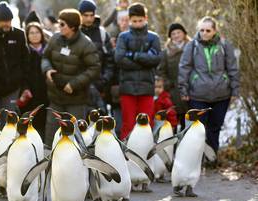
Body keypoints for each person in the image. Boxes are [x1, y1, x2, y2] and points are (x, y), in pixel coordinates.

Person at [179, 16, 240, 155]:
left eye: (208, 30)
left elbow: (232, 68)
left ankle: (212, 158)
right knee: (198, 130)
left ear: (214, 31)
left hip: (221, 95)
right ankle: (198, 159)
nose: (204, 33)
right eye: (201, 30)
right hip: (198, 95)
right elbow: (184, 68)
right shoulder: (192, 46)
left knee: (215, 128)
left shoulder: (225, 45)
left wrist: (235, 91)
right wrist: (183, 90)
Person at [42, 8, 101, 146]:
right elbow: (45, 57)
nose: (59, 26)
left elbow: (95, 68)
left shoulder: (86, 44)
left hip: (76, 100)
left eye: (62, 24)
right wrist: (47, 70)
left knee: (75, 139)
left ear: (73, 27)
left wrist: (74, 84)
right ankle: (48, 166)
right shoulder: (55, 38)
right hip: (55, 98)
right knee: (50, 139)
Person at [114, 2, 161, 140]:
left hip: (147, 88)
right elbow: (119, 59)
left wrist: (134, 56)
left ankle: (145, 155)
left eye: (140, 20)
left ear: (146, 18)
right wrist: (145, 61)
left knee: (146, 124)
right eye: (134, 21)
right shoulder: (123, 37)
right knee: (128, 124)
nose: (138, 23)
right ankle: (126, 156)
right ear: (129, 20)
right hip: (127, 88)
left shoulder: (154, 37)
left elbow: (157, 59)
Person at [78, 0, 114, 114]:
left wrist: (105, 79)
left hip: (99, 86)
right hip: (79, 86)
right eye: (86, 15)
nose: (89, 19)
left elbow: (110, 59)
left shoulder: (102, 34)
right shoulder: (74, 32)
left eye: (91, 15)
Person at [158, 23, 190, 131]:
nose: (176, 35)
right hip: (173, 91)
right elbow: (161, 71)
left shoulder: (192, 48)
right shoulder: (166, 52)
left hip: (190, 90)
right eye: (173, 33)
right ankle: (174, 146)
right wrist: (167, 84)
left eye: (178, 32)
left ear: (184, 34)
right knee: (173, 122)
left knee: (189, 121)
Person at [23, 22, 49, 138]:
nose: (34, 35)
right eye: (31, 33)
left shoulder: (48, 49)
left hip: (47, 93)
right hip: (30, 94)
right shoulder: (24, 51)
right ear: (27, 35)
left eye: (37, 32)